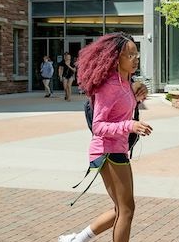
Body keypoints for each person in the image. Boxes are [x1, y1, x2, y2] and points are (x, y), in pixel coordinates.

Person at [59, 33, 152, 242]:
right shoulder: (109, 86)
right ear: (115, 58)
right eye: (130, 55)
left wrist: (135, 100)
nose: (135, 58)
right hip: (106, 151)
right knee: (126, 210)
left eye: (136, 54)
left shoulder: (124, 82)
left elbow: (119, 112)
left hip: (116, 149)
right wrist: (131, 125)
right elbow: (98, 126)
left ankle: (77, 239)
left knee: (122, 208)